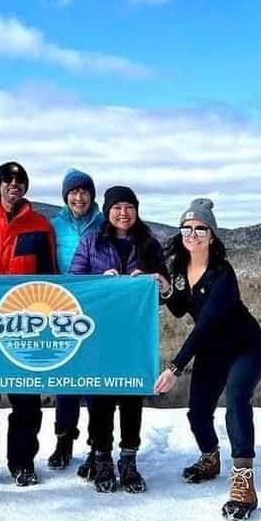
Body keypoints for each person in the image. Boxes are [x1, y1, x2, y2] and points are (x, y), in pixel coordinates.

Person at [153, 198, 261, 521]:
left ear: (212, 235)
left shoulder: (222, 275)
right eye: (187, 228)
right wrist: (165, 289)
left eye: (200, 229)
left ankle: (243, 480)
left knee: (236, 400)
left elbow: (203, 326)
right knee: (198, 413)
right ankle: (210, 458)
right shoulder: (179, 267)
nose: (192, 234)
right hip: (211, 351)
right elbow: (179, 308)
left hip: (244, 347)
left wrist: (175, 367)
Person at [0, 161, 58, 487]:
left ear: (25, 186)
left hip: (25, 329)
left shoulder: (41, 227)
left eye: (19, 180)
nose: (13, 184)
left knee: (26, 401)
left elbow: (52, 281)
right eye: (7, 179)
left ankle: (22, 462)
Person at [70, 185, 170, 494]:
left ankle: (128, 459)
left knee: (130, 397)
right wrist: (100, 285)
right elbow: (74, 285)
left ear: (136, 210)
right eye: (117, 207)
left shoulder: (149, 243)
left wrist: (157, 284)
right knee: (99, 397)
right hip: (98, 334)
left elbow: (163, 292)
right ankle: (102, 459)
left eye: (129, 207)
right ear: (107, 210)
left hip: (134, 335)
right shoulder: (91, 241)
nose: (123, 213)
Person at [47, 168, 104, 471]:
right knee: (65, 378)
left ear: (92, 196)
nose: (79, 197)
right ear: (66, 196)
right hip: (63, 309)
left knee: (95, 380)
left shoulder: (104, 224)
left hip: (97, 309)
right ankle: (63, 439)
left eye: (84, 191)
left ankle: (98, 445)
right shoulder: (54, 226)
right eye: (73, 192)